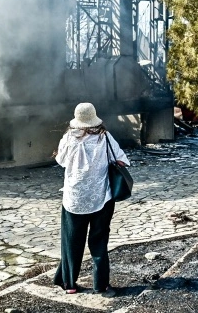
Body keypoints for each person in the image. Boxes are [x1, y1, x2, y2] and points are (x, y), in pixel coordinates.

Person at [52, 102, 131, 297]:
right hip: (101, 197)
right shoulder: (105, 137)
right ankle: (100, 285)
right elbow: (121, 160)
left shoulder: (68, 138)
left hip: (74, 199)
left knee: (71, 241)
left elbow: (60, 161)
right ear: (94, 118)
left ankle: (69, 283)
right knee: (99, 241)